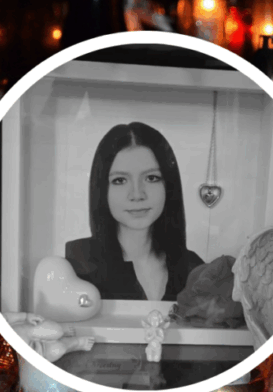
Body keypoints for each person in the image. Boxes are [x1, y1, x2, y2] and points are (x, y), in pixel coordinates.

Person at [65, 122, 204, 301]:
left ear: (169, 185)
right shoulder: (78, 263)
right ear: (101, 189)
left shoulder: (193, 269)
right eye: (120, 180)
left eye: (151, 178)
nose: (137, 194)